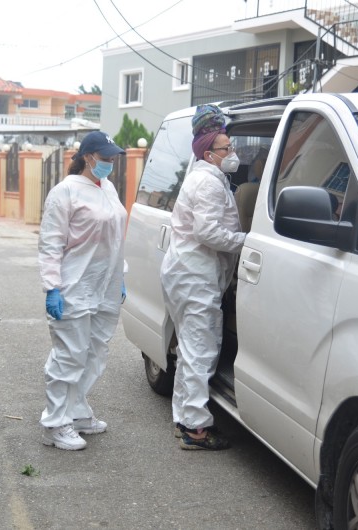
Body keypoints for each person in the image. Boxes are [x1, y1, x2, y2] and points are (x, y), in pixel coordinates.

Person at [160, 104, 246, 450]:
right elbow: (208, 232)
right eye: (227, 148)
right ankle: (196, 429)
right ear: (210, 154)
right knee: (200, 351)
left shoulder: (204, 176)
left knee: (189, 349)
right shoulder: (208, 182)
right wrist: (246, 242)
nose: (233, 152)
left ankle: (184, 419)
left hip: (186, 274)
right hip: (195, 277)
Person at [38, 131, 128, 451]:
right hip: (74, 284)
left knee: (95, 352)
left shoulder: (108, 188)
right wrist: (52, 287)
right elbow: (50, 243)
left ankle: (75, 411)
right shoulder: (65, 192)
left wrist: (120, 274)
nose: (110, 162)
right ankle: (55, 423)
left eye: (113, 157)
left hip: (105, 285)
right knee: (69, 355)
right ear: (88, 157)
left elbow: (115, 236)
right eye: (105, 157)